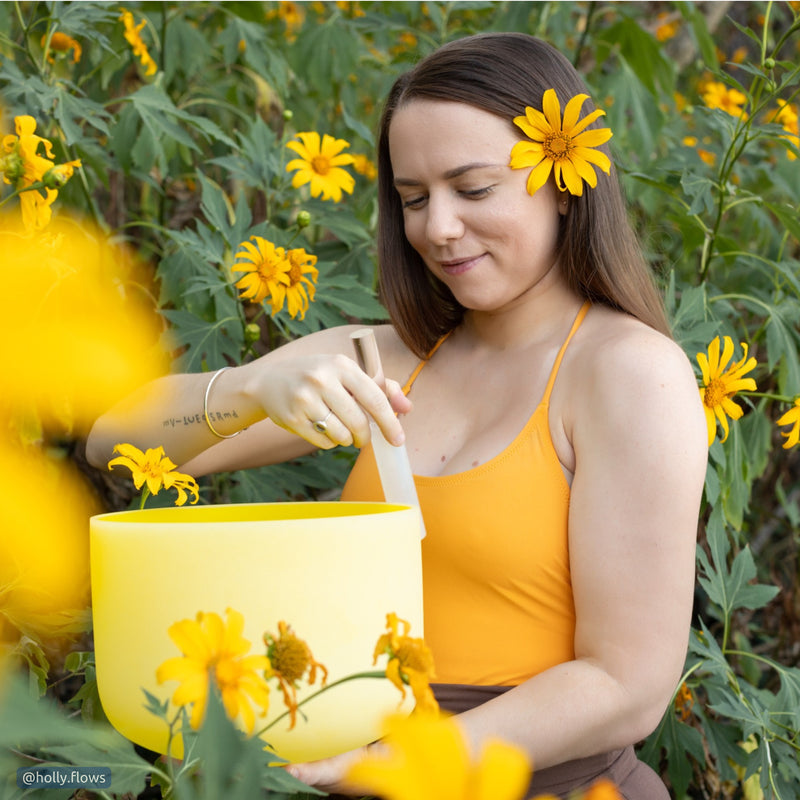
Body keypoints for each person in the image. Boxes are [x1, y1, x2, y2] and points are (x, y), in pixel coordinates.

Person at [87, 33, 708, 799]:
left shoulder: (628, 374)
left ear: (563, 181)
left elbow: (627, 685)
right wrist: (249, 390)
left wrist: (391, 763)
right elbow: (111, 438)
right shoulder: (392, 357)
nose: (436, 228)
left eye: (472, 189)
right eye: (413, 198)